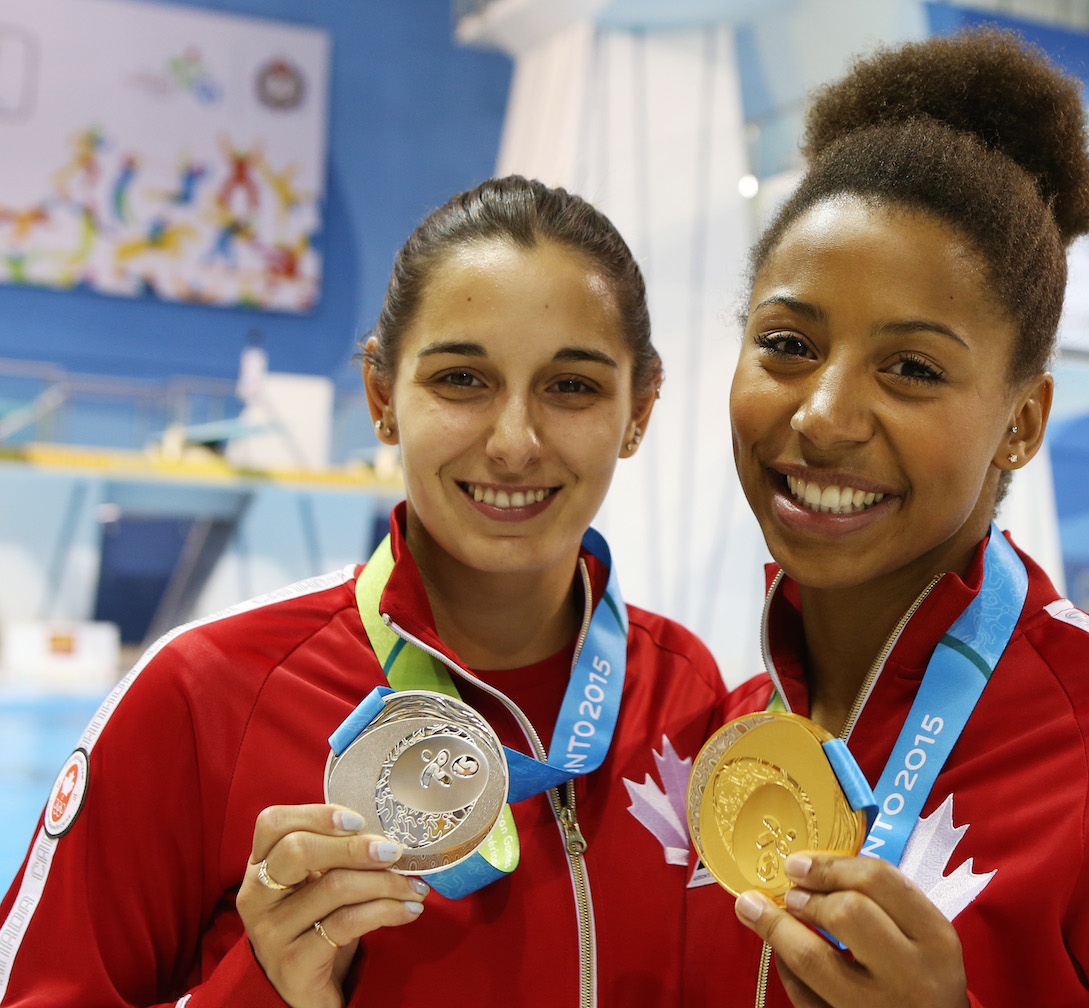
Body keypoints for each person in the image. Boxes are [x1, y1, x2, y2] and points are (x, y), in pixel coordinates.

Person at [684, 28, 1089, 1008]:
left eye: (910, 367)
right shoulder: (732, 738)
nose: (821, 416)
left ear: (1020, 424)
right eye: (786, 342)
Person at [0, 176, 725, 1007]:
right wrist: (259, 991)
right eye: (461, 379)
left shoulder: (688, 695)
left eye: (573, 388)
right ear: (383, 396)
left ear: (640, 409)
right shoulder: (207, 697)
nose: (515, 442)